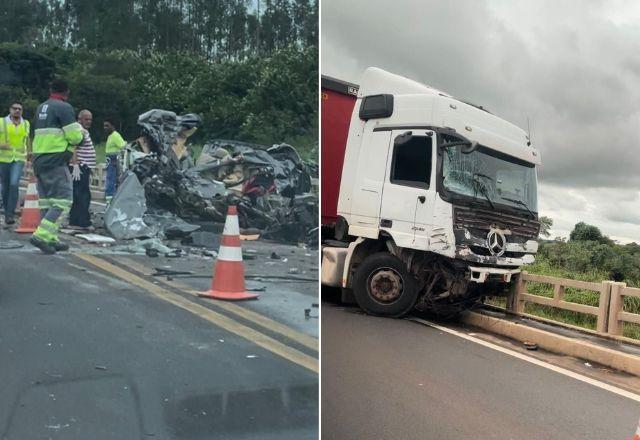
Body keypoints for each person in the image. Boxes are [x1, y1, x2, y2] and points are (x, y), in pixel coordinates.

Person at [30, 79, 83, 254]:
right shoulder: (64, 108)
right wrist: (81, 134)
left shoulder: (41, 108)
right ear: (66, 92)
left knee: (47, 201)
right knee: (63, 200)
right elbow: (75, 137)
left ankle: (51, 237)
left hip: (39, 160)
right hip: (56, 160)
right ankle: (41, 235)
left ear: (50, 90)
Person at [0, 101, 31, 224]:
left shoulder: (26, 123)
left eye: (20, 109)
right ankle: (7, 210)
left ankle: (10, 214)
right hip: (3, 159)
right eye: (15, 108)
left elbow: (27, 139)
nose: (17, 111)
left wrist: (29, 153)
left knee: (14, 183)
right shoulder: (2, 122)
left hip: (18, 158)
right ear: (10, 110)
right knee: (5, 186)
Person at [68, 109, 96, 231]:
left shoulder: (83, 130)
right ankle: (83, 221)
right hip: (80, 167)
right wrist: (75, 163)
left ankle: (75, 220)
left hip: (84, 166)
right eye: (86, 119)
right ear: (79, 119)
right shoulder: (79, 130)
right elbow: (73, 146)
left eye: (90, 119)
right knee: (83, 194)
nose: (88, 121)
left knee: (78, 193)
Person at [103, 118, 126, 203]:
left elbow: (123, 147)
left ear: (112, 126)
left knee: (111, 180)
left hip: (113, 161)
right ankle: (109, 198)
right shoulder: (110, 136)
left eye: (107, 126)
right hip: (109, 160)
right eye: (104, 126)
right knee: (109, 179)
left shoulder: (115, 135)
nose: (105, 128)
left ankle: (110, 200)